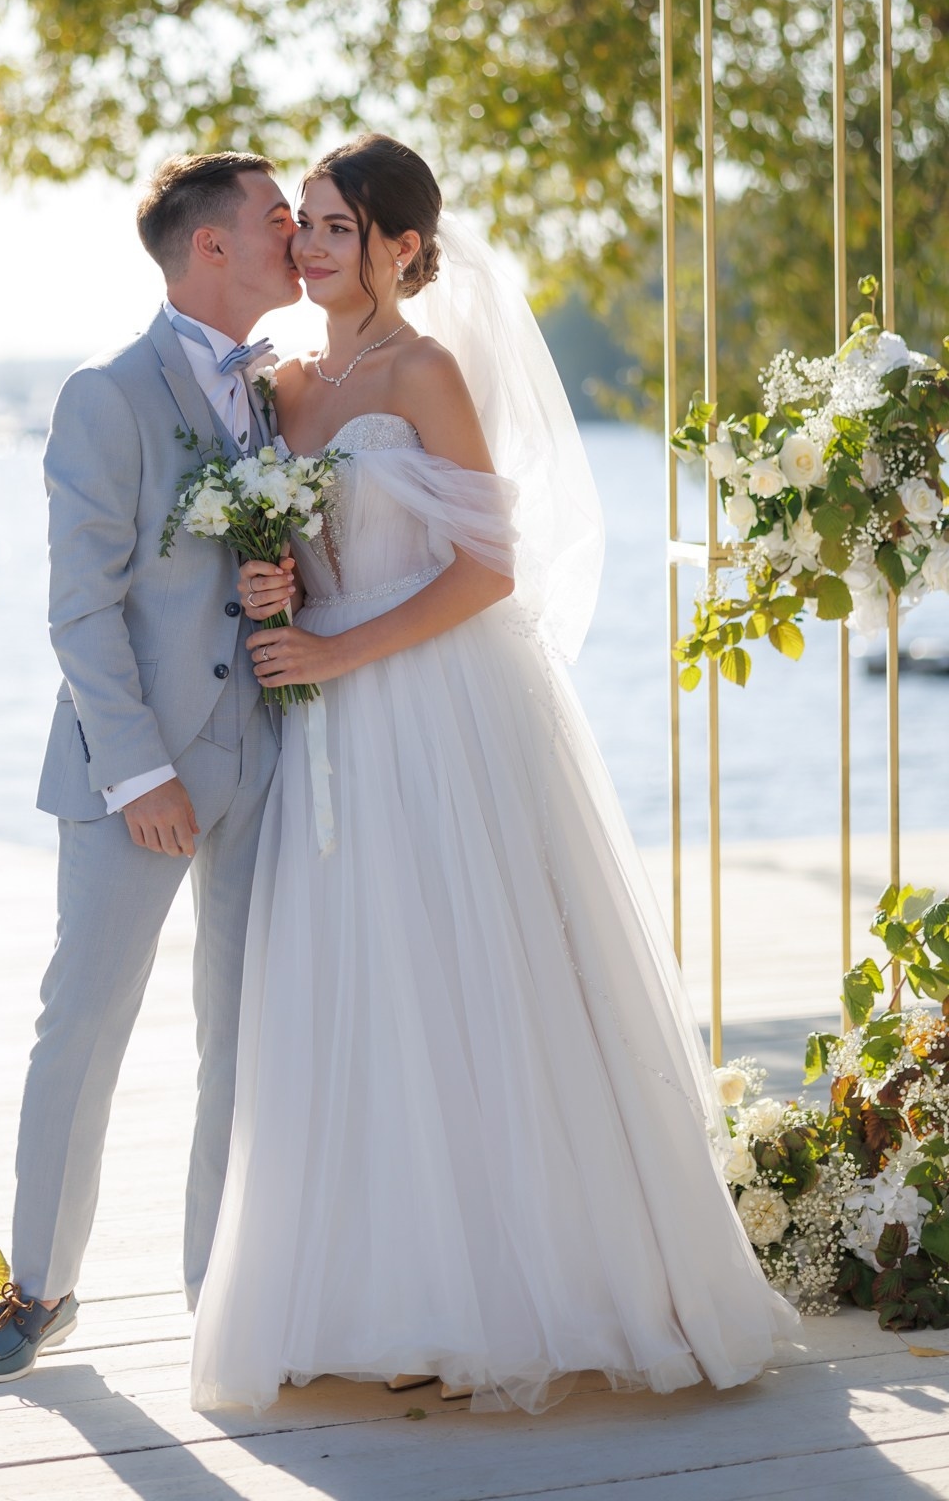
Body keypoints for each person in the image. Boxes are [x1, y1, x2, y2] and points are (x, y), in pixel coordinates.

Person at [190, 133, 798, 1415]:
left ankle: (530, 1292)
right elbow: (304, 548)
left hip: (441, 709)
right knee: (361, 988)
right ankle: (378, 1294)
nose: (307, 244)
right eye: (301, 221)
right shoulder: (285, 384)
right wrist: (274, 585)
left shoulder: (427, 371)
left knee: (475, 980)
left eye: (336, 225)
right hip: (331, 726)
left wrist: (340, 645)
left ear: (402, 247)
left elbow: (487, 570)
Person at [0, 151, 302, 1383]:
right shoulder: (105, 395)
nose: (296, 235)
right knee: (85, 1025)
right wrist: (138, 773)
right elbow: (79, 611)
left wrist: (281, 584)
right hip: (132, 775)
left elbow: (259, 570)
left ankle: (219, 1291)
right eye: (274, 219)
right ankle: (36, 1287)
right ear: (209, 246)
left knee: (242, 1034)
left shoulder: (277, 395)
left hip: (263, 753)